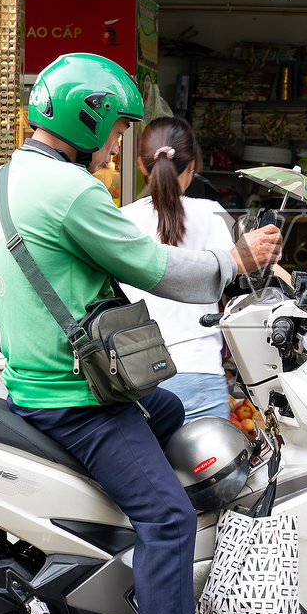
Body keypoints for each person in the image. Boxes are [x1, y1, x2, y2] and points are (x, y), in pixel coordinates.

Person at [0, 53, 280, 614]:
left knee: (170, 413)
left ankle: (142, 596)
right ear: (87, 121)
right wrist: (235, 261)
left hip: (41, 390)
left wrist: (36, 355)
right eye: (114, 131)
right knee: (167, 514)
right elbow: (160, 269)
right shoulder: (73, 191)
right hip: (82, 405)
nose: (118, 146)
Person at [119, 117, 236, 423]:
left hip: (137, 377)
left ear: (142, 166)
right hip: (200, 375)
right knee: (214, 471)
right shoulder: (212, 215)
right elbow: (251, 276)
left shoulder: (119, 222)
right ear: (192, 166)